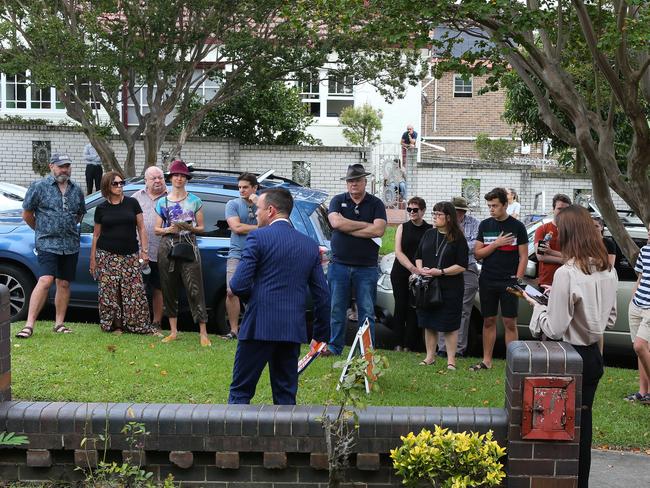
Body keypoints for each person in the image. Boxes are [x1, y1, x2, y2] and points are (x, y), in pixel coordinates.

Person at [525, 205, 617, 488]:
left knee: (556, 428)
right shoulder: (606, 269)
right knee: (583, 429)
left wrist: (538, 307)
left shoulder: (567, 272)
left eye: (560, 231)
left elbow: (554, 327)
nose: (555, 236)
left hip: (567, 358)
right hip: (592, 358)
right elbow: (610, 319)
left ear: (570, 233)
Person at [228, 188, 330, 405]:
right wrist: (320, 335)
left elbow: (237, 284)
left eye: (258, 209)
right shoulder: (309, 245)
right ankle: (286, 439)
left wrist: (254, 300)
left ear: (271, 210)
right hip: (291, 329)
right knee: (285, 395)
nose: (256, 214)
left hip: (258, 326)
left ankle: (234, 439)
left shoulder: (257, 237)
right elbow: (322, 295)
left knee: (241, 391)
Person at [16, 152, 86, 338]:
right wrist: (41, 230)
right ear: (51, 167)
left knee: (63, 283)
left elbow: (80, 214)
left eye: (67, 166)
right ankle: (29, 325)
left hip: (70, 244)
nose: (64, 169)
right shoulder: (39, 187)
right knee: (46, 280)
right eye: (60, 166)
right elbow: (27, 214)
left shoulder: (76, 189)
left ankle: (59, 324)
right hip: (47, 242)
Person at [326, 163, 387, 356]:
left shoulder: (376, 203)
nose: (353, 184)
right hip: (339, 265)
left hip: (366, 267)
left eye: (357, 180)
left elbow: (378, 230)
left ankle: (366, 352)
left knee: (367, 312)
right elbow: (335, 223)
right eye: (350, 181)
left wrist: (347, 227)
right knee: (336, 309)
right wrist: (364, 227)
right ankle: (335, 347)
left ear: (364, 182)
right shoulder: (337, 200)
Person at [89, 172, 160, 335]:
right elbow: (96, 235)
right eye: (115, 184)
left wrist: (144, 251)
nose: (120, 186)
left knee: (134, 291)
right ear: (107, 186)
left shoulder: (132, 203)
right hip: (106, 255)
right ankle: (116, 325)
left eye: (122, 183)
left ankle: (138, 325)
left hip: (130, 255)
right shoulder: (101, 208)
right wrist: (93, 259)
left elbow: (141, 228)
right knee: (110, 292)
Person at [471, 187, 528, 371]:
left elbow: (524, 257)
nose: (491, 209)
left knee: (510, 322)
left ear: (505, 204)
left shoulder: (517, 227)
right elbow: (478, 254)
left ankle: (513, 363)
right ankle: (487, 361)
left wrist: (517, 280)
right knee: (488, 320)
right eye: (489, 206)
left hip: (509, 281)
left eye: (495, 205)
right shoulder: (485, 225)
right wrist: (496, 244)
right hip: (488, 279)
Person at [154, 160, 211, 347]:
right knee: (168, 287)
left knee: (195, 288)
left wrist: (189, 227)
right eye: (176, 175)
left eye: (182, 176)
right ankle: (173, 331)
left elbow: (202, 227)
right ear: (170, 178)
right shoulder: (162, 201)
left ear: (186, 179)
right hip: (167, 246)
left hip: (188, 244)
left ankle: (203, 332)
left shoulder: (195, 201)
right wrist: (168, 229)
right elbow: (156, 229)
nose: (179, 178)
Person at [414, 201, 468, 369]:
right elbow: (418, 255)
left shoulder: (458, 238)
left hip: (450, 287)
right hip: (428, 286)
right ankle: (430, 356)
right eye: (434, 214)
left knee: (449, 325)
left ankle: (451, 360)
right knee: (429, 322)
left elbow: (462, 265)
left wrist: (442, 271)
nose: (435, 217)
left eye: (439, 215)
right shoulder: (429, 234)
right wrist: (420, 269)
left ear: (449, 218)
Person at [437, 196, 480, 358]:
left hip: (467, 268)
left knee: (463, 310)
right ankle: (442, 348)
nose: (458, 214)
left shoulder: (475, 223)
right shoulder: (443, 224)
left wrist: (456, 244)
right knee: (443, 307)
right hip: (445, 269)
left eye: (460, 211)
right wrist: (461, 244)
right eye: (455, 211)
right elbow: (440, 244)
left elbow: (475, 245)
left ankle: (459, 349)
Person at [390, 196, 431, 352]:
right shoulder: (403, 227)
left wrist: (419, 271)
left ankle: (409, 344)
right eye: (409, 209)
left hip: (420, 273)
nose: (412, 212)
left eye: (415, 210)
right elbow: (398, 251)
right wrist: (412, 269)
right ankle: (397, 343)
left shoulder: (429, 229)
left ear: (423, 211)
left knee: (414, 308)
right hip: (401, 272)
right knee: (400, 306)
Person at [224, 173, 259, 340]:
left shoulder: (263, 204)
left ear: (254, 188)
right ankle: (233, 330)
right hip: (237, 254)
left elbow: (272, 223)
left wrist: (259, 203)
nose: (241, 190)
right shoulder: (233, 204)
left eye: (245, 187)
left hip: (259, 254)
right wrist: (260, 227)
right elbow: (236, 227)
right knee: (231, 291)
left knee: (257, 292)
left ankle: (253, 329)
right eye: (239, 187)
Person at [132, 166, 168, 328]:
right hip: (139, 251)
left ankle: (156, 322)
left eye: (160, 177)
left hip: (164, 252)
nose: (158, 181)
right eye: (153, 178)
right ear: (146, 181)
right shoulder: (136, 197)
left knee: (158, 288)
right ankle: (137, 320)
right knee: (137, 287)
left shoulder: (171, 198)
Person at [625, 225, 650, 405]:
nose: (649, 232)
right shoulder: (645, 251)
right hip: (636, 304)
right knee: (642, 352)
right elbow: (640, 278)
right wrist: (632, 299)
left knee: (640, 347)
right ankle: (643, 392)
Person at [534, 193, 572, 286]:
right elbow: (540, 256)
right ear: (553, 209)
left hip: (570, 282)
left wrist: (550, 252)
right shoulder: (542, 229)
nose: (562, 212)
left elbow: (576, 257)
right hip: (547, 282)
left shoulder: (574, 231)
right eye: (559, 209)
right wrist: (564, 260)